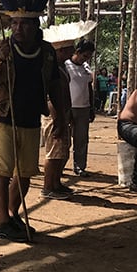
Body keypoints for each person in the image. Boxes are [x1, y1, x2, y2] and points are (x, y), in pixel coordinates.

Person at [0, 0, 62, 242]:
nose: (17, 28)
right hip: (2, 116)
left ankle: (12, 214)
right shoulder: (0, 46)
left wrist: (60, 116)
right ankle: (3, 223)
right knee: (2, 173)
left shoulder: (47, 52)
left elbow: (54, 85)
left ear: (35, 25)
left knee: (25, 174)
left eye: (23, 24)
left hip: (30, 119)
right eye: (14, 23)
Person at [41, 20, 97, 199]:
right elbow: (51, 96)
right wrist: (58, 119)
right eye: (69, 49)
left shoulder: (61, 67)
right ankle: (48, 186)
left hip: (63, 113)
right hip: (54, 115)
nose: (73, 51)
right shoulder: (52, 68)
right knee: (54, 152)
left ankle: (56, 183)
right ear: (61, 51)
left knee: (62, 150)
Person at [65, 39, 96, 177]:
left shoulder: (86, 67)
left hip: (83, 107)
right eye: (85, 56)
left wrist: (91, 107)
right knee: (64, 138)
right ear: (77, 52)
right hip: (67, 107)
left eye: (89, 56)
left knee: (81, 139)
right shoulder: (65, 65)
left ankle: (79, 166)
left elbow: (89, 86)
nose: (86, 59)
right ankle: (58, 166)